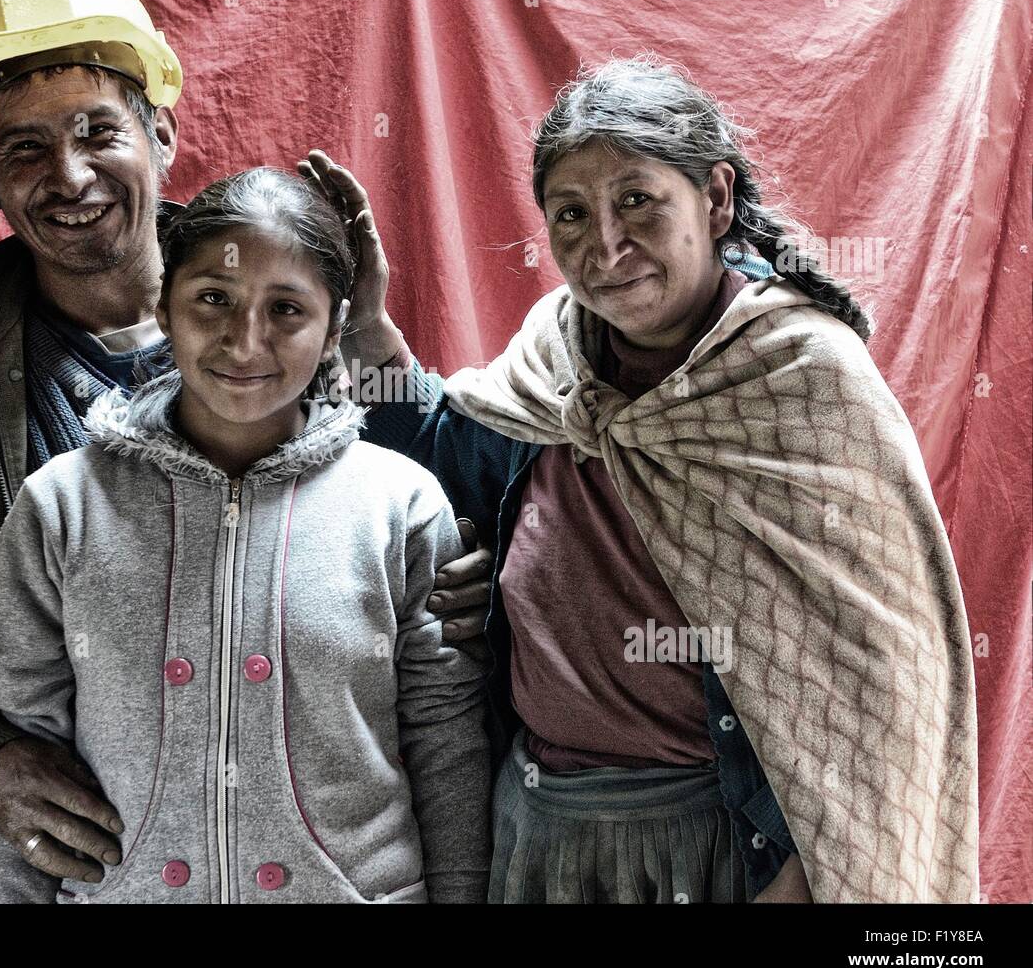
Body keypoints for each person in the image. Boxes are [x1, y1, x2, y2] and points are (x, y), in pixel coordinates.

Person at [0, 0, 490, 904]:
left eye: (99, 131)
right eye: (26, 150)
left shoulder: (263, 296)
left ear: (160, 131)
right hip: (90, 868)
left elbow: (398, 521)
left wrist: (373, 341)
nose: (71, 174)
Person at [304, 55, 980, 903]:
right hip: (545, 833)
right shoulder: (557, 364)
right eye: (572, 215)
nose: (606, 246)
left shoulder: (803, 379)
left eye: (637, 201)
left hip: (730, 843)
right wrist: (366, 324)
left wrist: (806, 868)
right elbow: (441, 455)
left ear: (717, 198)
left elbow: (889, 670)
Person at [0, 168, 492, 903]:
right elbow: (25, 756)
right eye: (213, 299)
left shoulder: (398, 506)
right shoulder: (62, 506)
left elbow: (447, 747)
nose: (245, 342)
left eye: (286, 308)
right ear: (163, 303)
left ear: (335, 327)